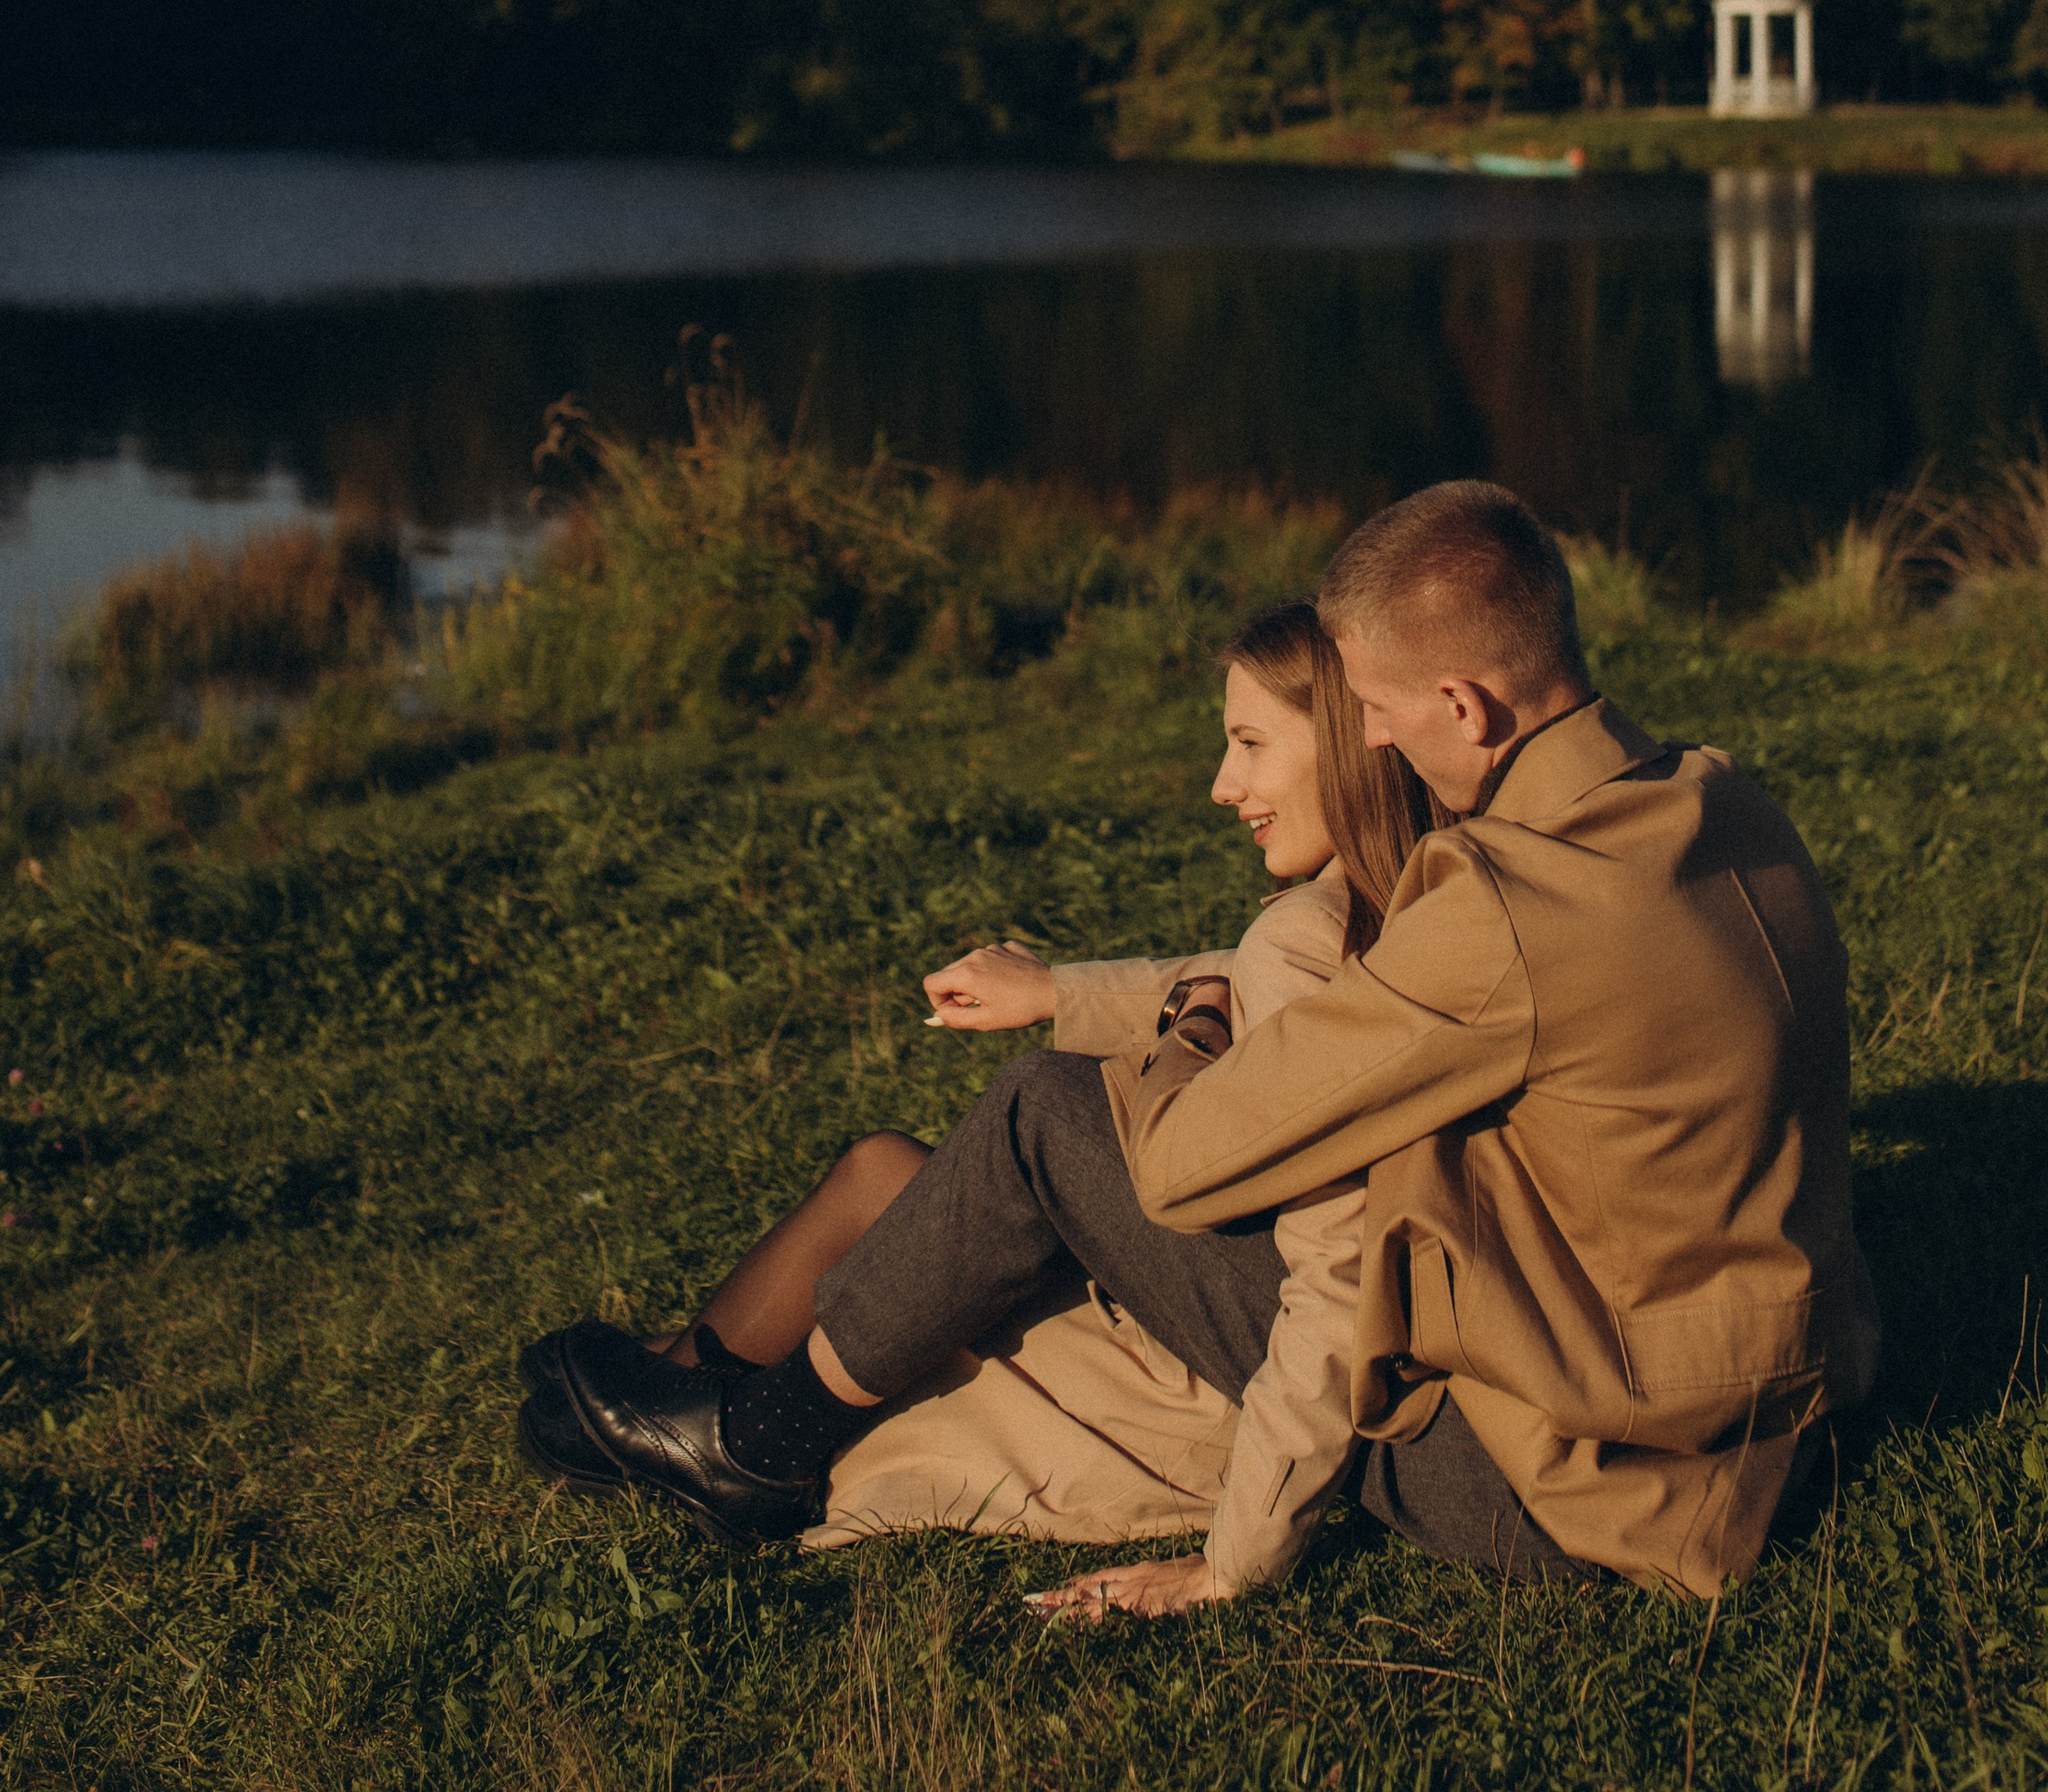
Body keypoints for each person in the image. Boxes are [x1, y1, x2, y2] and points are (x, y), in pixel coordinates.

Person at [536, 479, 1880, 1601]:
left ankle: (761, 1447)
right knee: (975, 1143)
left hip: (1563, 1488)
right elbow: (1395, 999)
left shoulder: (1506, 913)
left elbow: (1182, 1166)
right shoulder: (1714, 804)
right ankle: (694, 1391)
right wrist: (1108, 986)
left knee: (1052, 1116)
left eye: (1387, 715)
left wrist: (1179, 1023)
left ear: (1464, 707)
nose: (1387, 747)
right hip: (1763, 1432)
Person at [517, 601, 1433, 1611]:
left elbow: (1330, 1262)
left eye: (1250, 745)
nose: (1223, 785)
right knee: (887, 1172)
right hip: (1255, 1286)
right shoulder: (1416, 888)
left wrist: (1237, 1565)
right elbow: (1254, 982)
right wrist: (1066, 995)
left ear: (1351, 744)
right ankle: (684, 1389)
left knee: (998, 1137)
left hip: (1252, 1342)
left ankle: (735, 1434)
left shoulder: (1312, 935)